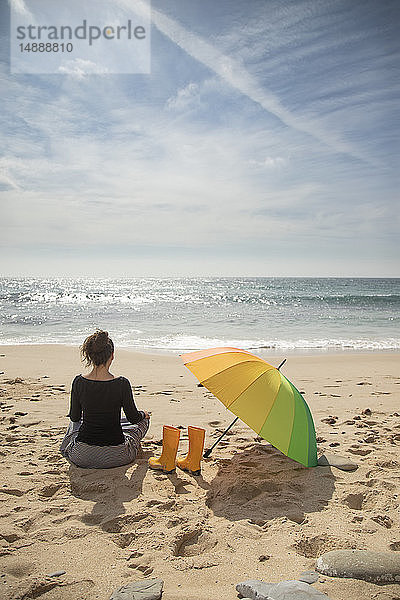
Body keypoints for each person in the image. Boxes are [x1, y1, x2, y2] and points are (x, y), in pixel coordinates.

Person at [59, 330, 150, 468]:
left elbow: (75, 417)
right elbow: (133, 418)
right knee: (143, 420)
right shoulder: (122, 383)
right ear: (112, 356)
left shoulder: (78, 382)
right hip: (117, 456)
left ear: (89, 355)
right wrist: (143, 414)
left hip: (82, 456)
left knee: (74, 424)